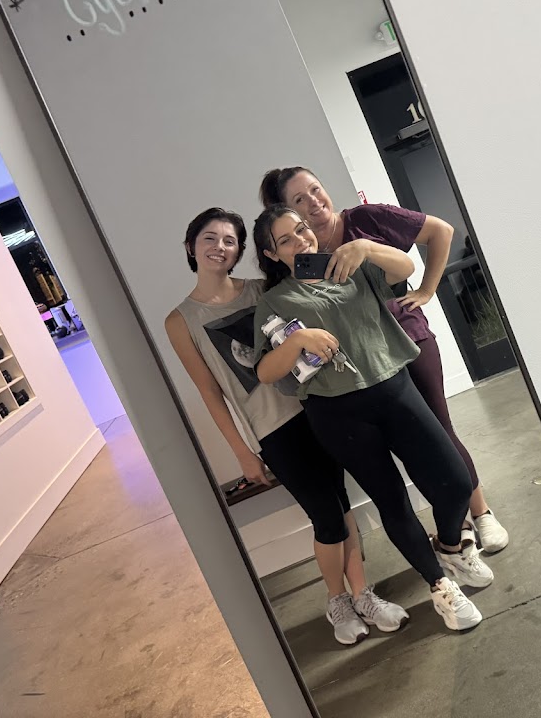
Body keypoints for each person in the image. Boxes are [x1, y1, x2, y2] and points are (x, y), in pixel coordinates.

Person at [165, 207, 408, 645]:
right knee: (326, 517)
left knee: (342, 507)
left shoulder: (263, 290)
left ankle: (362, 595)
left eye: (230, 240)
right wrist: (242, 453)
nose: (220, 247)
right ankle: (337, 600)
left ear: (242, 250)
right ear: (190, 247)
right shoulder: (180, 321)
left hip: (318, 406)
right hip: (272, 429)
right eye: (210, 238)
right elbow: (210, 392)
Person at [251, 206, 492, 631]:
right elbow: (266, 372)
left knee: (454, 480)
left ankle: (450, 547)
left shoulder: (350, 263)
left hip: (395, 386)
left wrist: (365, 247)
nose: (301, 240)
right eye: (285, 239)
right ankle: (440, 587)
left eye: (301, 229)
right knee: (392, 501)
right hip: (337, 413)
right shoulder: (275, 300)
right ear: (272, 254)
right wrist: (298, 340)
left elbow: (405, 268)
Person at [259, 167, 510, 554]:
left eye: (315, 190)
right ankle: (455, 528)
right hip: (365, 365)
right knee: (411, 451)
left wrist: (426, 289)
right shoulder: (303, 256)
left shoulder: (364, 220)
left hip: (408, 337)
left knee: (439, 430)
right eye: (299, 200)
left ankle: (481, 512)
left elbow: (440, 231)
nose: (313, 202)